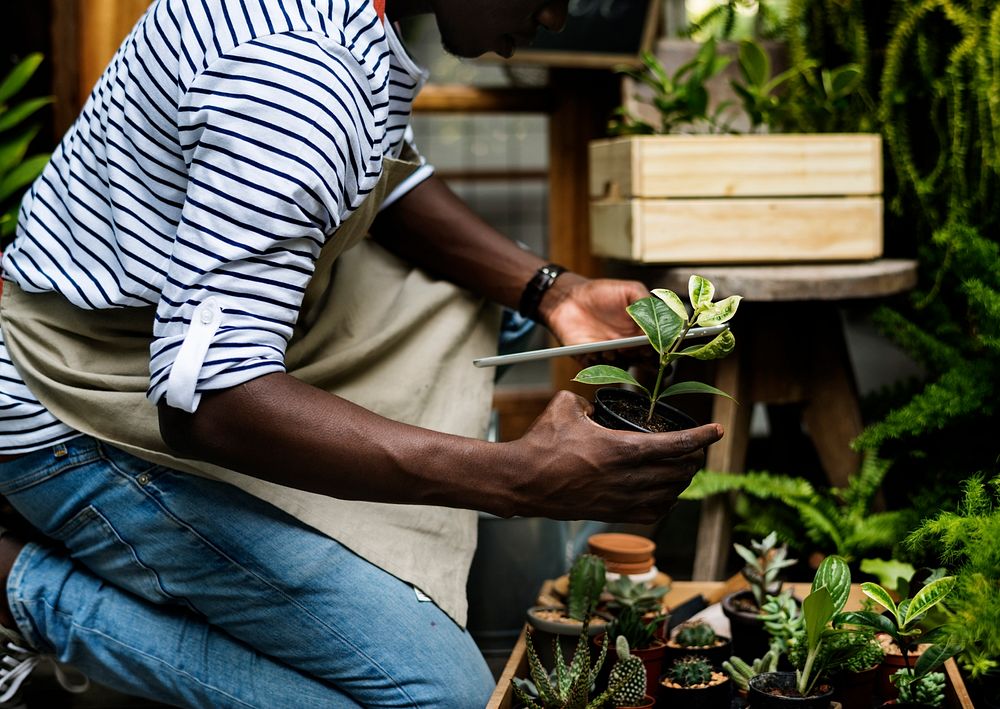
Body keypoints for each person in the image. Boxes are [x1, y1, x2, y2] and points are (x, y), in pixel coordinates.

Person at [0, 0, 723, 706]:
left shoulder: (352, 21)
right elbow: (209, 403)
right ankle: (25, 592)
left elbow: (380, 169)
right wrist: (514, 480)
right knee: (437, 693)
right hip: (71, 402)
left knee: (479, 311)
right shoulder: (295, 76)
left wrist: (549, 293)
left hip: (191, 335)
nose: (558, 16)